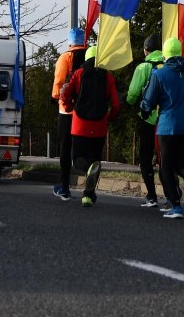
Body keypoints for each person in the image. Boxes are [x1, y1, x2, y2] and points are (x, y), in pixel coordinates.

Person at [140, 37, 184, 219]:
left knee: (166, 166)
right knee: (182, 165)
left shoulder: (159, 74)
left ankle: (175, 206)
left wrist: (144, 109)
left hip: (168, 126)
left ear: (165, 55)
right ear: (180, 53)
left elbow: (148, 101)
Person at [60, 45, 121, 207]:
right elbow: (116, 103)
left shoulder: (79, 74)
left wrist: (68, 107)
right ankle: (88, 195)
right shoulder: (108, 78)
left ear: (86, 58)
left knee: (77, 158)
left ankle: (87, 169)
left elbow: (66, 93)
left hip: (80, 124)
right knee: (96, 159)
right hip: (99, 125)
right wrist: (110, 118)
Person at [126, 33, 165, 207]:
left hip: (148, 119)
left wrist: (129, 103)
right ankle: (172, 193)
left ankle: (151, 195)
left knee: (145, 156)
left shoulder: (143, 67)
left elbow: (133, 93)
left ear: (145, 50)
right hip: (166, 118)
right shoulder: (167, 65)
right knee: (165, 157)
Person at [51, 28, 86, 201]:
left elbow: (58, 82)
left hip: (66, 109)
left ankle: (64, 187)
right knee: (82, 146)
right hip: (85, 110)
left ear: (70, 42)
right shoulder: (90, 57)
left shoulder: (65, 58)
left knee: (65, 147)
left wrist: (55, 97)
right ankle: (89, 188)